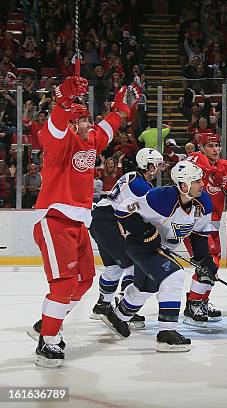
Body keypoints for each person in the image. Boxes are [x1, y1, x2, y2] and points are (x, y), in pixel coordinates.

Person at [27, 77, 134, 368]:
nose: (91, 123)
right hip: (55, 218)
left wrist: (121, 110)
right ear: (74, 125)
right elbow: (54, 126)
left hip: (78, 223)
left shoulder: (90, 141)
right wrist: (62, 101)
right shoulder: (60, 142)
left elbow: (107, 130)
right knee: (63, 285)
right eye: (85, 119)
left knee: (85, 280)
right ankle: (48, 342)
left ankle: (48, 321)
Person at [102, 160, 214, 352]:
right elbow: (122, 209)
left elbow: (199, 234)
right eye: (197, 181)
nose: (202, 184)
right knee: (174, 275)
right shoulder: (158, 198)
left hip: (162, 250)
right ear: (184, 185)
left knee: (147, 287)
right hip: (141, 246)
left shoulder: (203, 203)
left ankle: (117, 317)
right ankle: (166, 333)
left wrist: (204, 262)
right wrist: (145, 232)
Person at [182, 132, 227, 326]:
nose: (215, 149)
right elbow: (191, 162)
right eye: (210, 145)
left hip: (212, 226)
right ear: (202, 147)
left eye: (217, 145)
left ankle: (201, 301)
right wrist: (210, 170)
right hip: (194, 224)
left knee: (213, 265)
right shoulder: (195, 160)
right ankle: (193, 305)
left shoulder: (225, 166)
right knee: (207, 263)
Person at [89, 148, 164, 324]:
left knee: (113, 268)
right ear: (147, 165)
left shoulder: (132, 175)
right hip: (110, 222)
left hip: (100, 219)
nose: (159, 169)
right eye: (156, 165)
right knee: (131, 264)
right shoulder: (142, 186)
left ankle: (102, 306)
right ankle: (124, 310)